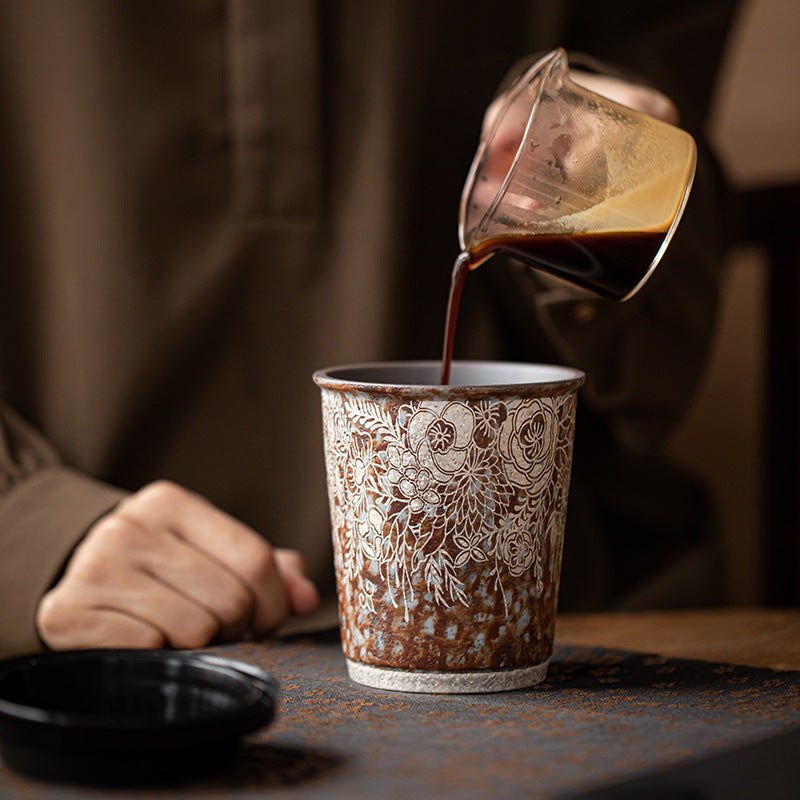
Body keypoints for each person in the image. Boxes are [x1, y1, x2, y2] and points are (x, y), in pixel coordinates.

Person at [0, 1, 738, 657]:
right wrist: (30, 530)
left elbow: (668, 332)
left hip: (588, 626)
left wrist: (612, 172)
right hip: (103, 650)